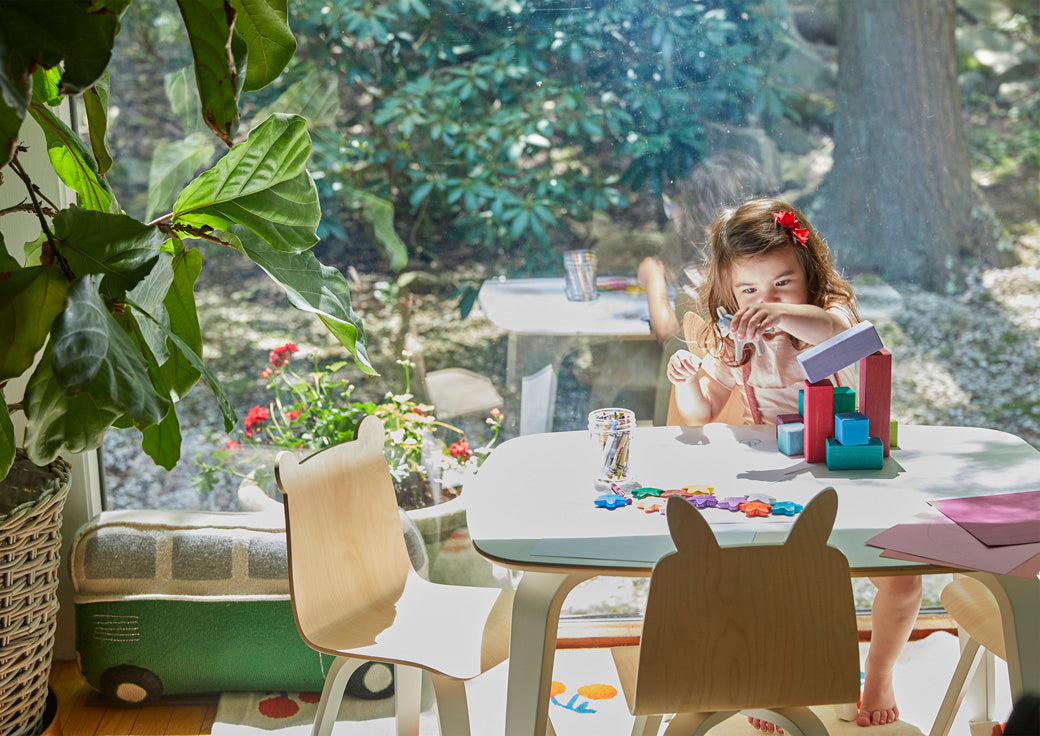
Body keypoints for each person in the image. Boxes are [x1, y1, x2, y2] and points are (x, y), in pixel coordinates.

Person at [667, 198, 922, 731]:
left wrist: (785, 315)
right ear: (728, 293)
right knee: (765, 577)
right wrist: (688, 380)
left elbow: (834, 330)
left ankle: (878, 671)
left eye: (782, 285)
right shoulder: (736, 340)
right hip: (779, 477)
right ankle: (778, 678)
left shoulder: (834, 318)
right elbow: (699, 417)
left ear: (808, 276)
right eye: (749, 291)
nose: (764, 302)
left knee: (901, 580)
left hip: (845, 463)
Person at [639, 150, 772, 345]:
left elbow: (672, 335)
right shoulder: (767, 254)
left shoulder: (718, 269)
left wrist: (653, 279)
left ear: (706, 215)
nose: (676, 216)